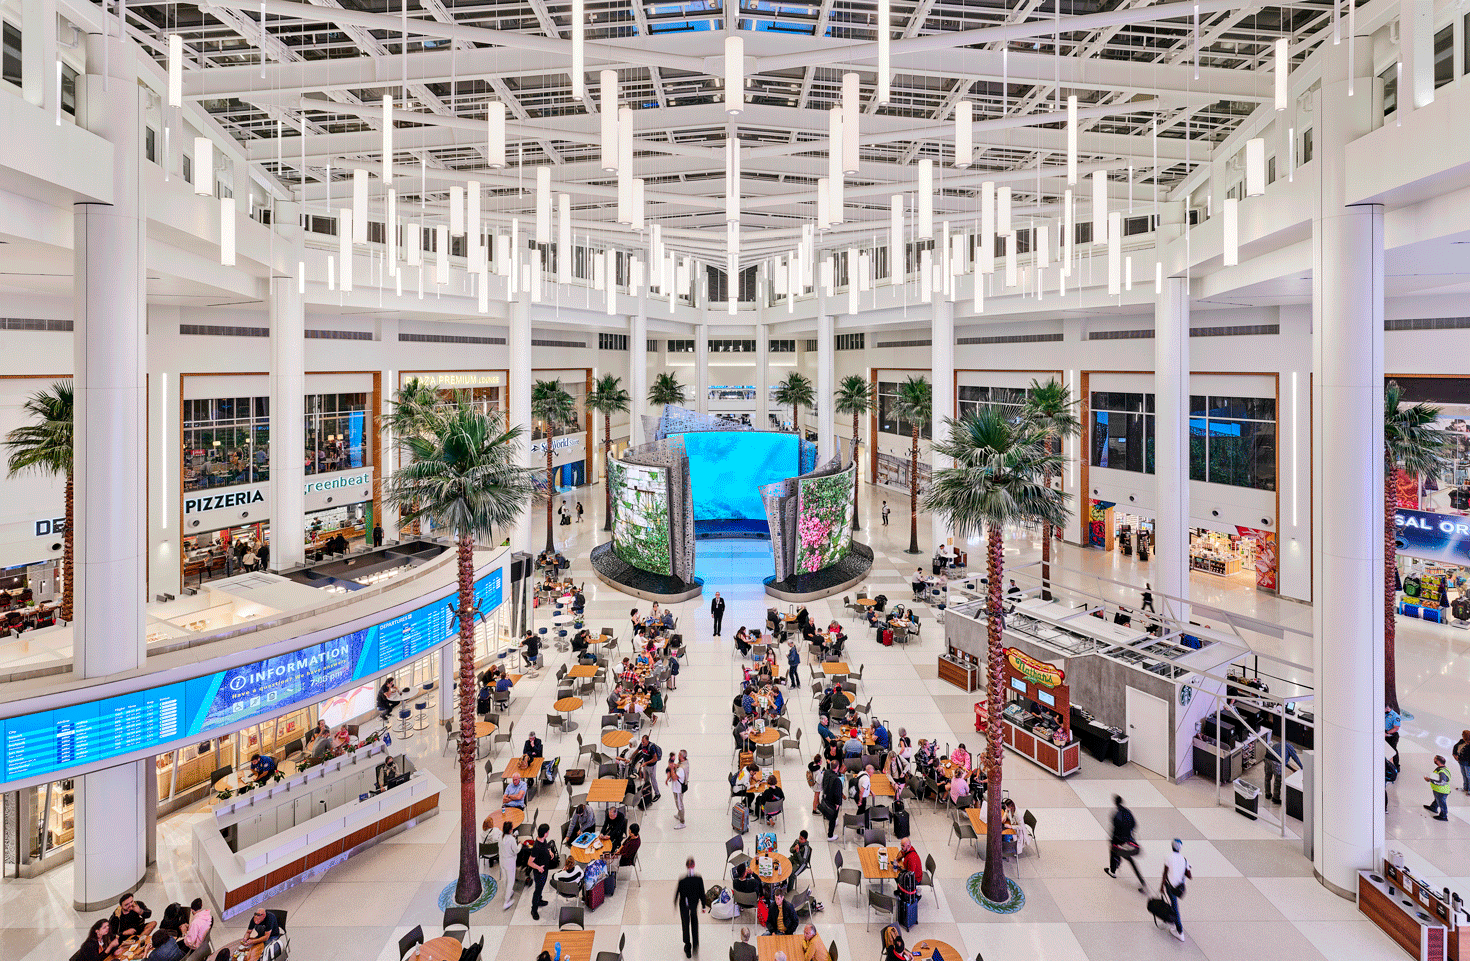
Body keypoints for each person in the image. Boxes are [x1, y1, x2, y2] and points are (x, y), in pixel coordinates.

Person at [1105, 795, 1147, 892]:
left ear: (1115, 802)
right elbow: (1134, 825)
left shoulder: (1116, 814)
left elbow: (1114, 830)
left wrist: (1113, 840)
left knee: (1113, 851)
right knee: (1131, 862)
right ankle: (1142, 881)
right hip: (1129, 841)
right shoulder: (1128, 812)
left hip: (1120, 841)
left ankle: (1113, 871)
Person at [676, 857, 710, 957]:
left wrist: (674, 903)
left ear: (686, 866)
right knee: (694, 923)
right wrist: (703, 906)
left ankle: (687, 946)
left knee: (685, 925)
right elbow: (702, 893)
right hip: (693, 905)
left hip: (684, 906)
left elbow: (678, 892)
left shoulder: (683, 880)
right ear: (694, 865)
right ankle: (695, 944)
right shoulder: (698, 879)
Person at [1161, 839, 1191, 942]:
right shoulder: (1184, 859)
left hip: (1170, 887)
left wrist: (1162, 886)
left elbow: (1165, 873)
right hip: (1179, 888)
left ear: (1172, 846)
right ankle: (1173, 920)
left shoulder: (1169, 857)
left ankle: (1180, 931)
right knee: (1174, 904)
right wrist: (1187, 869)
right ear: (1180, 848)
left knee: (1175, 907)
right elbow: (1189, 876)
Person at [1260, 729, 1302, 804]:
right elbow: (1296, 758)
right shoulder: (1290, 748)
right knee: (1277, 780)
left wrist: (1292, 768)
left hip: (1267, 758)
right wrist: (1302, 767)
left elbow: (1282, 761)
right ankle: (1275, 798)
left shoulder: (1278, 744)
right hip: (1276, 762)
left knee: (1267, 777)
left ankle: (1267, 794)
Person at [528, 823, 554, 921]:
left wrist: (549, 852)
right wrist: (538, 867)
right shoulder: (536, 847)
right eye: (547, 832)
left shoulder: (543, 840)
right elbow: (529, 862)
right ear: (545, 833)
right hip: (540, 872)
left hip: (545, 869)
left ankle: (539, 900)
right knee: (538, 890)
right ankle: (534, 909)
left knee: (541, 887)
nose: (548, 833)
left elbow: (546, 846)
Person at [820, 760, 845, 841]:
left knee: (830, 814)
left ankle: (833, 821)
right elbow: (838, 793)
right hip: (833, 801)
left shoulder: (826, 772)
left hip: (826, 796)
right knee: (833, 818)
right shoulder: (837, 780)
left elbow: (823, 783)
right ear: (837, 767)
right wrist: (838, 803)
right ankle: (830, 835)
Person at [499, 819, 519, 910]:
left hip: (502, 861)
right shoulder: (511, 840)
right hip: (509, 863)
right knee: (511, 881)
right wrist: (520, 845)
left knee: (505, 879)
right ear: (510, 830)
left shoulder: (500, 837)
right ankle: (506, 901)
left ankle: (507, 892)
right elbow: (516, 850)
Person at [1425, 755, 1453, 821]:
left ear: (1437, 761)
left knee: (1442, 803)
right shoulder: (1442, 769)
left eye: (1434, 759)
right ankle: (1433, 807)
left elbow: (1442, 782)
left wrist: (1430, 780)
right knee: (1437, 800)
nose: (1433, 760)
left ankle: (1443, 816)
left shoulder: (1442, 772)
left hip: (1441, 791)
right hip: (1438, 790)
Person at [666, 754, 687, 827]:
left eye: (679, 755)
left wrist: (672, 769)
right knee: (677, 802)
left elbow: (674, 778)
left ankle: (682, 822)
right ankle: (679, 814)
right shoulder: (682, 764)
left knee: (679, 805)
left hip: (678, 790)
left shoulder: (681, 769)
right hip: (676, 788)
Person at [1455, 730, 1470, 795]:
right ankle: (1465, 787)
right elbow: (1455, 747)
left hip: (1468, 763)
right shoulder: (1462, 741)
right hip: (1461, 761)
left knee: (1468, 776)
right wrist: (1455, 755)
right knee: (1464, 775)